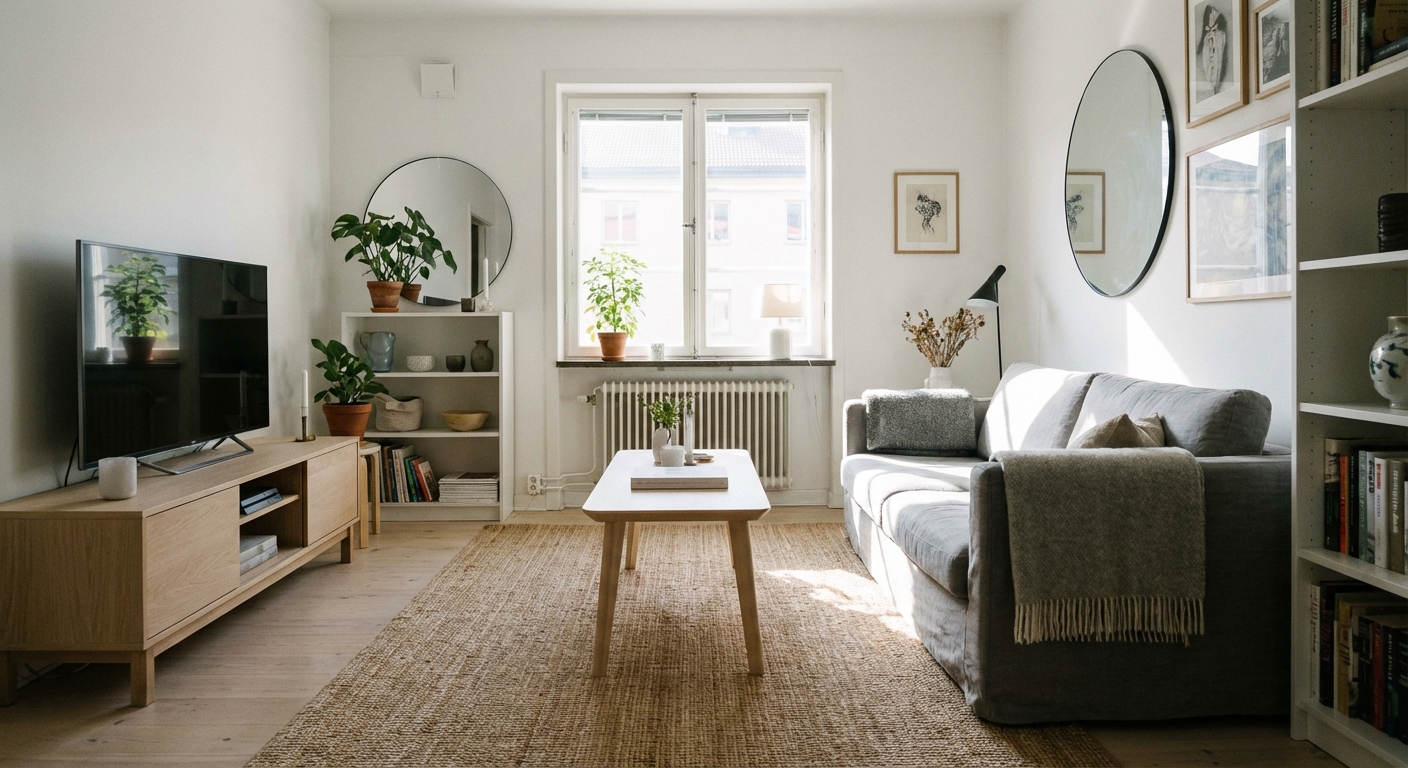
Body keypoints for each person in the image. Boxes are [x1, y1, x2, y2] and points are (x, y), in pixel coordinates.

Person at [1196, 4, 1230, 98]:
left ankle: (1215, 87)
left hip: (1216, 46)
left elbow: (1219, 53)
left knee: (1217, 63)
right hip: (1209, 45)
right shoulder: (1206, 36)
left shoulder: (1220, 34)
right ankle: (1212, 87)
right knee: (1207, 65)